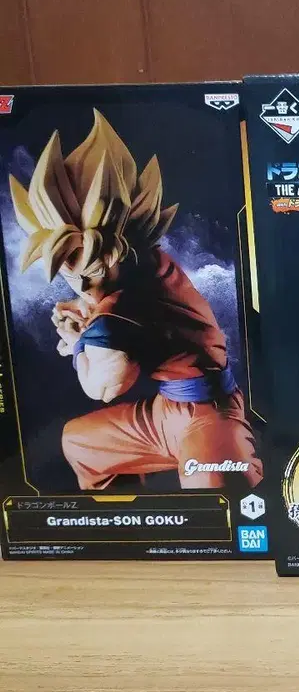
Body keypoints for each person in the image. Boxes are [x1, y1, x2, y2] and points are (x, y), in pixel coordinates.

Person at [10, 109, 261, 490]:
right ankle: (131, 514)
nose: (79, 284)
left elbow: (103, 387)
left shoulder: (118, 310)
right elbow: (128, 313)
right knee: (80, 444)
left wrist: (81, 343)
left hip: (211, 420)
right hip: (165, 413)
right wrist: (89, 320)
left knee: (218, 507)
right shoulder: (147, 261)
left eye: (83, 269)